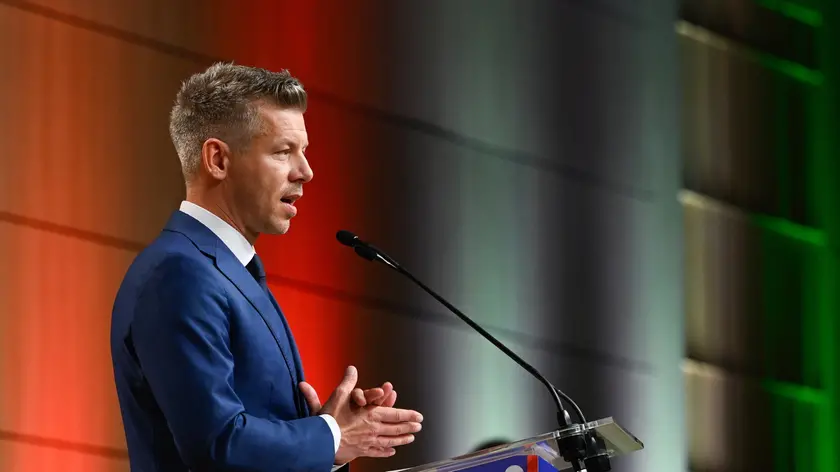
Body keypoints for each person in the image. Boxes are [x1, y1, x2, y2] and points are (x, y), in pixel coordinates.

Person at [110, 62, 423, 472]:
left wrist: (325, 437)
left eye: (303, 151)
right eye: (283, 151)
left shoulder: (230, 271)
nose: (305, 172)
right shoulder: (179, 275)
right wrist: (331, 436)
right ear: (218, 160)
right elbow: (217, 445)